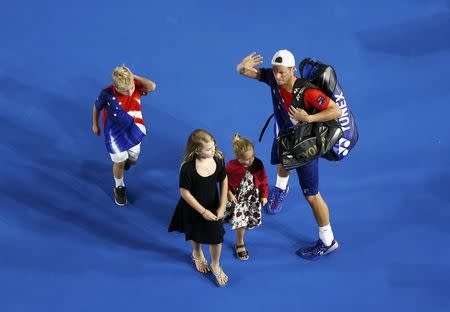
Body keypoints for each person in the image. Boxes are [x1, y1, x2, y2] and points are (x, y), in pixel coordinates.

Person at [236, 50, 342, 259]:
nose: (277, 77)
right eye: (275, 72)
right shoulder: (273, 79)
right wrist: (241, 66)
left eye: (282, 73)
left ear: (293, 70)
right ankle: (280, 191)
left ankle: (328, 241)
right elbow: (246, 72)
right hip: (286, 138)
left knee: (312, 195)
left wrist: (308, 118)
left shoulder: (308, 92)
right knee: (283, 162)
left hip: (304, 147)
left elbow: (335, 110)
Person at [168, 129, 229, 286]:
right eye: (209, 149)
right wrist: (202, 211)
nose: (213, 150)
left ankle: (215, 263)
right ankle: (197, 252)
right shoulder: (187, 168)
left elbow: (223, 180)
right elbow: (185, 192)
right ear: (196, 150)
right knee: (195, 232)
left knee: (216, 237)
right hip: (194, 207)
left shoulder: (218, 159)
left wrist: (222, 205)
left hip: (213, 204)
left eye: (213, 146)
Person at [92, 66, 156, 206]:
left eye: (131, 87)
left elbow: (152, 86)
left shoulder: (135, 85)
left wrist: (134, 77)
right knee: (119, 162)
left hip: (134, 129)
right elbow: (97, 107)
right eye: (125, 90)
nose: (130, 92)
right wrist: (95, 124)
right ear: (116, 87)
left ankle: (127, 162)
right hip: (114, 134)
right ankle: (119, 187)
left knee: (132, 160)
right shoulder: (106, 94)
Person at [224, 134, 268, 261]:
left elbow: (263, 179)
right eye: (246, 160)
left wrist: (264, 195)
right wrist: (228, 193)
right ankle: (240, 243)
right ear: (237, 157)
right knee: (240, 222)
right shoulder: (231, 166)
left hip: (252, 197)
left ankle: (238, 232)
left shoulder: (257, 164)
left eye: (252, 157)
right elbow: (224, 180)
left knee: (246, 220)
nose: (250, 161)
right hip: (237, 198)